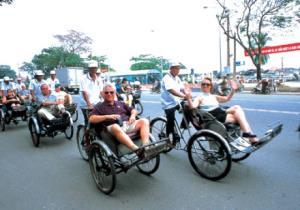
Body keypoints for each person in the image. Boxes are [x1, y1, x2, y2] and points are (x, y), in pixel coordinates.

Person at [186, 77, 259, 144]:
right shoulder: (199, 97)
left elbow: (227, 98)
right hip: (212, 117)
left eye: (207, 84)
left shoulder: (213, 96)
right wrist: (188, 98)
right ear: (201, 86)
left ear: (210, 86)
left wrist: (233, 89)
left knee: (237, 108)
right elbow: (193, 107)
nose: (205, 86)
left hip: (220, 112)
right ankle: (250, 136)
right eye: (203, 84)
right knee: (239, 118)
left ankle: (249, 135)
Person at [89, 83, 150, 154]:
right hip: (112, 129)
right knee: (115, 126)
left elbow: (133, 110)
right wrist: (107, 116)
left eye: (111, 92)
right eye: (106, 92)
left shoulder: (120, 103)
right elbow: (92, 118)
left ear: (115, 93)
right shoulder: (99, 106)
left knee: (144, 121)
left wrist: (132, 116)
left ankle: (146, 147)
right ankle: (136, 150)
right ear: (103, 94)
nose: (109, 94)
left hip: (127, 124)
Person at [161, 62, 188, 142]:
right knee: (170, 121)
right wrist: (183, 96)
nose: (178, 70)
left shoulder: (177, 78)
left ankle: (183, 124)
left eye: (179, 68)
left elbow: (182, 88)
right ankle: (168, 138)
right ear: (171, 68)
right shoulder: (167, 78)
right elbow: (171, 90)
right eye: (176, 68)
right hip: (168, 103)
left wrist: (187, 94)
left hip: (177, 101)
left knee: (189, 107)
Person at [80, 60, 104, 125]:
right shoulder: (83, 78)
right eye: (91, 68)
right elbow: (84, 93)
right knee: (88, 122)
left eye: (94, 68)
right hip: (86, 104)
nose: (93, 69)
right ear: (89, 69)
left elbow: (101, 92)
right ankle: (86, 134)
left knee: (101, 120)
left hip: (96, 103)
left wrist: (106, 100)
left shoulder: (99, 79)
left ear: (97, 68)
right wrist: (89, 104)